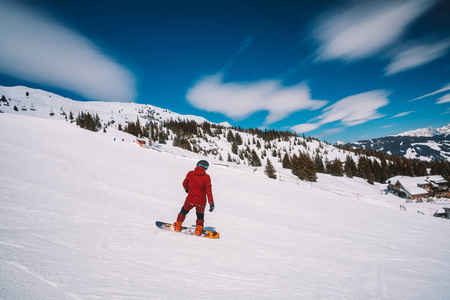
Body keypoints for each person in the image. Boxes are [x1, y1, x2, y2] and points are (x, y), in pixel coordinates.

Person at [173, 160, 215, 236]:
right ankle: (199, 229)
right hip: (201, 201)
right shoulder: (206, 177)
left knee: (184, 211)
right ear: (206, 168)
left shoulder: (190, 173)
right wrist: (211, 203)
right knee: (200, 215)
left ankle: (178, 225)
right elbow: (208, 191)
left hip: (190, 199)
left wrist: (187, 189)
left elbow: (184, 183)